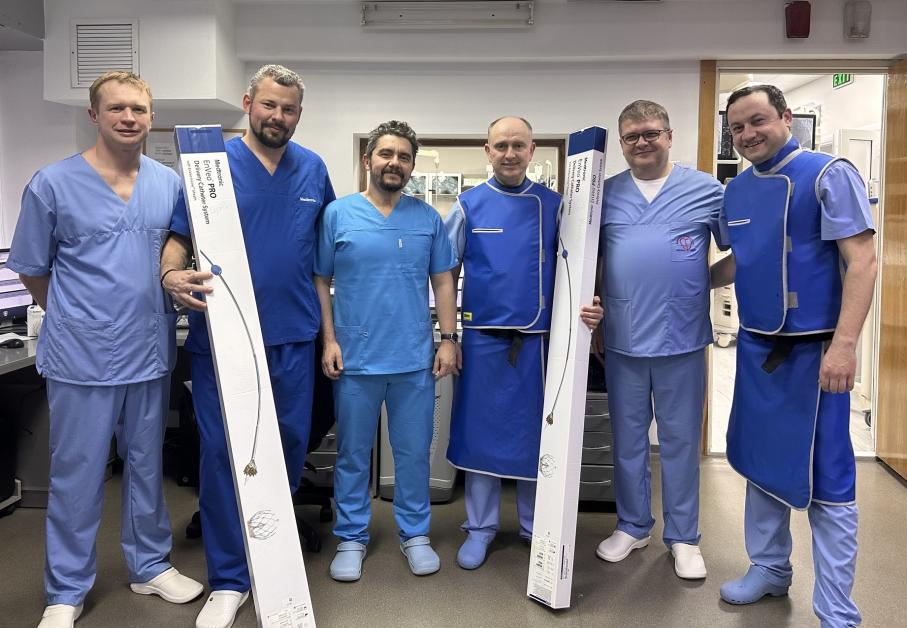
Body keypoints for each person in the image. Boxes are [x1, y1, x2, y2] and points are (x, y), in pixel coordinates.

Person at [7, 71, 203, 628]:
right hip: (81, 357)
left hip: (147, 350)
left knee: (146, 465)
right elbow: (32, 269)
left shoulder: (168, 185)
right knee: (77, 473)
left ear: (152, 117)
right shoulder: (52, 184)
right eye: (117, 108)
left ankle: (150, 565)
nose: (129, 118)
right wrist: (78, 316)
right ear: (94, 115)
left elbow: (174, 253)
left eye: (139, 109)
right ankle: (66, 590)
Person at [160, 64, 335, 628]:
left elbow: (324, 254)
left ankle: (272, 564)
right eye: (269, 105)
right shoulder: (212, 166)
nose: (278, 116)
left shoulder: (313, 169)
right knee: (221, 456)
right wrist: (170, 275)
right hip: (224, 338)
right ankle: (230, 580)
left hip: (294, 337)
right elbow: (179, 237)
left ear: (299, 114)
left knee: (287, 451)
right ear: (248, 103)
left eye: (289, 108)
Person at [712, 84, 876, 627]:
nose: (748, 134)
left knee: (827, 480)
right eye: (737, 128)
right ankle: (769, 568)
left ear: (786, 117)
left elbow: (863, 261)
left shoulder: (829, 174)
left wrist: (845, 346)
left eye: (757, 121)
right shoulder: (736, 191)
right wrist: (686, 284)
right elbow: (743, 260)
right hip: (757, 348)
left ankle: (836, 610)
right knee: (759, 464)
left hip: (816, 355)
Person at [444, 116, 603, 570]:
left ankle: (536, 526)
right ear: (487, 151)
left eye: (519, 145)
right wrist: (449, 336)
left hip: (538, 343)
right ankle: (479, 528)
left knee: (535, 437)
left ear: (532, 151)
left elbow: (578, 268)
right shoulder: (467, 206)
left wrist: (591, 305)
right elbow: (445, 273)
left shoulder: (556, 206)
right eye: (501, 145)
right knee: (479, 437)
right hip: (482, 342)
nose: (510, 153)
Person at [314, 120, 459, 582]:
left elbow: (443, 281)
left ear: (411, 166)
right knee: (353, 454)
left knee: (413, 453)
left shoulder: (427, 219)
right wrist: (329, 339)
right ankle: (351, 536)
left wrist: (448, 339)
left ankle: (415, 534)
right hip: (355, 359)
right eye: (385, 154)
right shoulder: (338, 214)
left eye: (403, 156)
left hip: (413, 359)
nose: (394, 162)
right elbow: (320, 279)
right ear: (368, 160)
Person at [594, 100, 725, 580]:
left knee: (680, 442)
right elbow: (590, 263)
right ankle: (633, 526)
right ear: (621, 143)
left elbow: (744, 251)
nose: (642, 142)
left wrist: (701, 283)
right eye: (632, 136)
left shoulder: (707, 190)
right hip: (622, 340)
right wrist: (595, 318)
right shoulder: (605, 194)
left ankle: (684, 537)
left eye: (651, 133)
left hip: (681, 340)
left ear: (669, 136)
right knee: (628, 442)